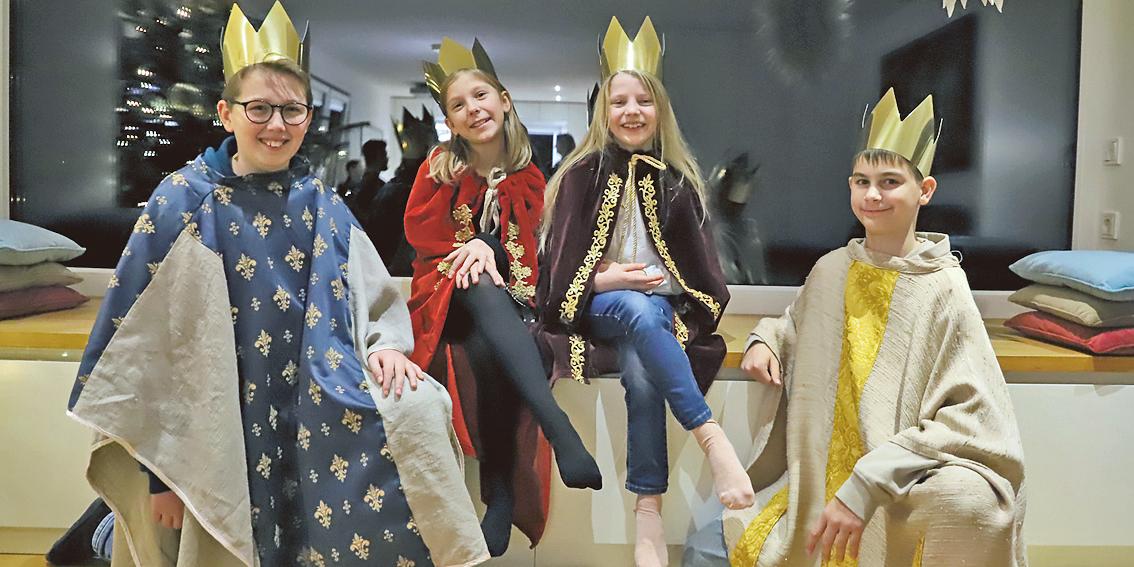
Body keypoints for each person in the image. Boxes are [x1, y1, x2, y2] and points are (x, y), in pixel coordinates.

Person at [65, 4, 488, 565]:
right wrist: (156, 476)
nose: (276, 125)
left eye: (292, 111)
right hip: (214, 414)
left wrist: (387, 347)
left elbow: (378, 294)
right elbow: (141, 349)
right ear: (226, 112)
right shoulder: (182, 203)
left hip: (308, 399)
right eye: (259, 108)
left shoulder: (322, 205)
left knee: (415, 412)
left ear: (308, 119)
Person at [690, 88, 1026, 566]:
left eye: (889, 181)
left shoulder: (944, 289)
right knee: (705, 547)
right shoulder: (832, 269)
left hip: (897, 489)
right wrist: (767, 339)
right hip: (819, 485)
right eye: (860, 180)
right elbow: (799, 321)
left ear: (924, 191)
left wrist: (871, 479)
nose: (871, 195)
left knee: (967, 505)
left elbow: (971, 419)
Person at [536, 17, 754, 567]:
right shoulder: (579, 176)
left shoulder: (680, 181)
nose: (631, 112)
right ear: (602, 113)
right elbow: (555, 282)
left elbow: (702, 275)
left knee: (640, 363)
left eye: (643, 101)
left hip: (658, 313)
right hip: (596, 308)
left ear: (660, 110)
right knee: (634, 306)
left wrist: (665, 286)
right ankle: (711, 437)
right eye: (619, 103)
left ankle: (647, 515)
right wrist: (605, 279)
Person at [405, 37, 602, 557]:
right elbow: (422, 235)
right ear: (449, 121)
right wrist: (474, 247)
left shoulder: (532, 175)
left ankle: (498, 492)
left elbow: (537, 252)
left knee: (490, 347)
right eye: (458, 105)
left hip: (506, 304)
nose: (473, 110)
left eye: (480, 97)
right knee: (476, 280)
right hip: (444, 295)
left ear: (505, 101)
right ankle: (560, 432)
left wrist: (490, 247)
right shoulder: (438, 168)